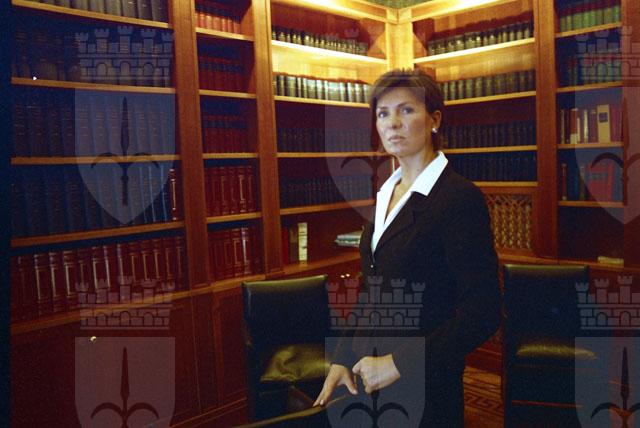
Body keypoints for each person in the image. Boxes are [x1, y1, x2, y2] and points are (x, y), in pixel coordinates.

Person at [313, 68, 501, 427]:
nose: (392, 123)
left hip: (426, 385)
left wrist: (398, 364)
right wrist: (342, 357)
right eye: (383, 113)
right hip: (368, 376)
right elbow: (371, 289)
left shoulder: (458, 197)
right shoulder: (387, 192)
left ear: (435, 120)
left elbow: (483, 311)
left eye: (407, 110)